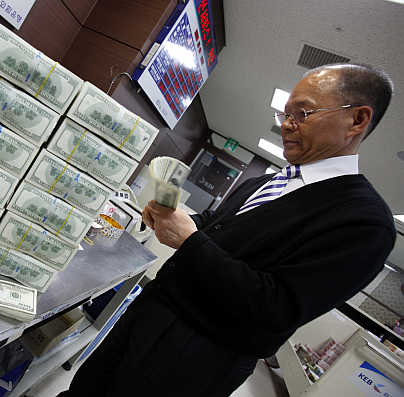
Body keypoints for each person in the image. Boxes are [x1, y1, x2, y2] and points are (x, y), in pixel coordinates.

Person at [59, 63, 396, 397]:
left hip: (195, 355)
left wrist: (189, 241)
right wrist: (171, 216)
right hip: (152, 311)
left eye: (303, 114)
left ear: (357, 120)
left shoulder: (364, 222)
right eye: (285, 115)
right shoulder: (267, 181)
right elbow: (218, 226)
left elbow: (276, 308)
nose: (287, 126)